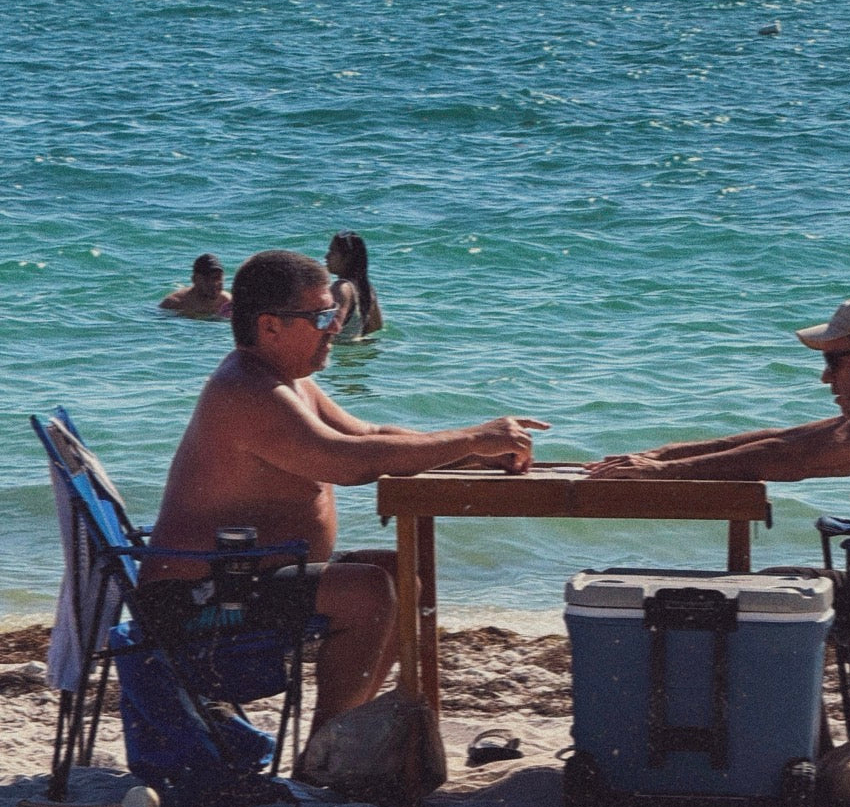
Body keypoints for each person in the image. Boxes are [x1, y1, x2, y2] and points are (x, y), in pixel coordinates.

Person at [142, 249, 549, 744]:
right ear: (270, 327)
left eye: (332, 313)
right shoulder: (246, 390)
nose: (335, 326)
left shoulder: (289, 383)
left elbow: (370, 433)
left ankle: (339, 736)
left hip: (245, 577)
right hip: (197, 598)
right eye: (319, 316)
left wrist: (473, 455)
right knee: (368, 591)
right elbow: (346, 462)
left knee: (403, 575)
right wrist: (471, 439)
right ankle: (325, 751)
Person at [588, 293, 850, 601]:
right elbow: (787, 438)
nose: (826, 378)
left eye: (833, 361)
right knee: (748, 597)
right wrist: (665, 455)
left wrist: (665, 474)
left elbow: (792, 460)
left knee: (737, 604)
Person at [325, 230, 383, 341]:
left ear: (347, 258)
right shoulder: (366, 287)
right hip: (353, 354)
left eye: (332, 251)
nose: (326, 256)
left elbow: (331, 327)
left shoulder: (342, 288)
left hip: (338, 353)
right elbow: (376, 325)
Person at [159, 254, 233, 320]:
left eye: (218, 278)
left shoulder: (227, 301)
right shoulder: (175, 303)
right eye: (207, 279)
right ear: (194, 279)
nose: (214, 283)